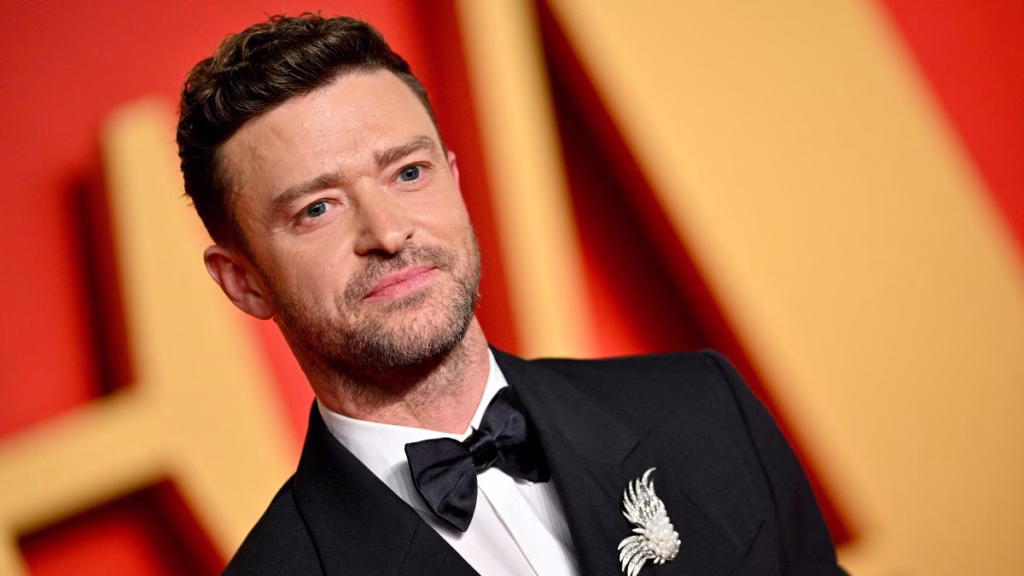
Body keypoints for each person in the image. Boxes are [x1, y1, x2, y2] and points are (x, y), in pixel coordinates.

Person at [176, 13, 845, 576]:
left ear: (454, 180)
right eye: (317, 209)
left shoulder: (704, 410)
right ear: (243, 281)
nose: (387, 232)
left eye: (408, 172)